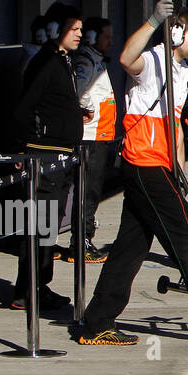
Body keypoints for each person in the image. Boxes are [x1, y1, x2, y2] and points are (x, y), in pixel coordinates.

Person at [80, 0, 188, 345]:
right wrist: (150, 21)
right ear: (176, 33)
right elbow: (126, 59)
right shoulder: (155, 61)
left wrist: (178, 164)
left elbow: (174, 122)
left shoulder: (182, 70)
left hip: (159, 165)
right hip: (143, 163)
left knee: (130, 249)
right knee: (187, 241)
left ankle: (96, 322)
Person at [12, 5, 84, 313]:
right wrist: (27, 145)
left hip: (61, 154)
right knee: (39, 226)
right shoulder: (45, 62)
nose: (81, 35)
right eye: (75, 29)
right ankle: (27, 290)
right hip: (46, 156)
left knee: (48, 228)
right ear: (58, 31)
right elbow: (24, 108)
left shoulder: (62, 61)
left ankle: (39, 286)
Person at [70, 16, 118, 263]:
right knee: (88, 193)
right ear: (92, 38)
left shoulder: (96, 60)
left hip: (100, 136)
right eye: (106, 36)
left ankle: (83, 239)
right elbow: (80, 90)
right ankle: (81, 243)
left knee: (93, 191)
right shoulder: (86, 61)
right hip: (90, 139)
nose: (110, 41)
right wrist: (87, 108)